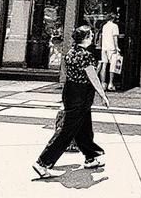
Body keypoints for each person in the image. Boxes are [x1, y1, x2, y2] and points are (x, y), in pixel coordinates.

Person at [33, 25, 110, 178]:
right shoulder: (85, 55)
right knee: (67, 129)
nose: (93, 36)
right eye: (91, 34)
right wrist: (103, 95)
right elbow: (93, 77)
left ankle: (90, 157)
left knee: (84, 125)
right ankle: (42, 162)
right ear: (86, 37)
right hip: (81, 93)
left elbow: (66, 72)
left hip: (70, 90)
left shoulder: (70, 53)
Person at [98, 13, 120, 91]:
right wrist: (117, 47)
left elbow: (102, 36)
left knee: (104, 65)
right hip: (112, 48)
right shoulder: (115, 26)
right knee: (112, 66)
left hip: (104, 47)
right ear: (113, 19)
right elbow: (115, 37)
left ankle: (103, 83)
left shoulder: (104, 26)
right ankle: (110, 83)